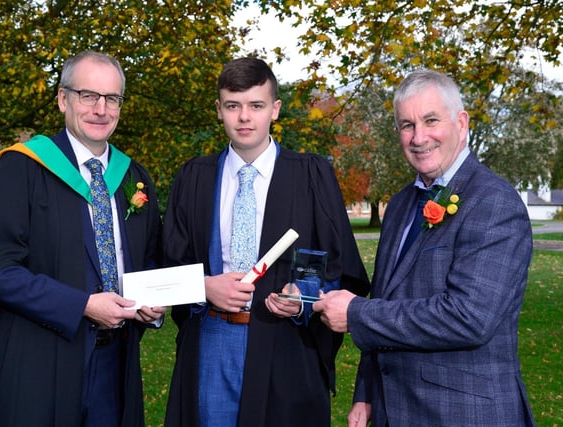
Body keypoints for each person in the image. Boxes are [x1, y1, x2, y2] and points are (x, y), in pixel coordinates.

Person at [0, 51, 165, 427]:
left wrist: (153, 304)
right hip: (36, 361)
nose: (101, 109)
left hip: (115, 365)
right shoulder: (22, 168)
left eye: (112, 98)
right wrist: (81, 305)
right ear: (63, 99)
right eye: (87, 95)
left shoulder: (132, 178)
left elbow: (150, 259)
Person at [313, 69, 536, 426]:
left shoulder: (494, 202)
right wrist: (367, 392)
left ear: (461, 123)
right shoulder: (401, 204)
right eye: (406, 125)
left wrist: (356, 314)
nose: (419, 137)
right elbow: (388, 298)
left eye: (431, 120)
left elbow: (469, 318)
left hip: (465, 414)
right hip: (393, 409)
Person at [162, 57, 370, 427]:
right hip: (212, 341)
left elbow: (337, 266)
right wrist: (204, 286)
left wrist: (303, 297)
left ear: (274, 109)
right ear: (219, 109)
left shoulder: (310, 175)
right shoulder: (194, 177)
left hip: (285, 344)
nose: (244, 117)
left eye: (256, 105)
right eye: (233, 106)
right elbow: (169, 266)